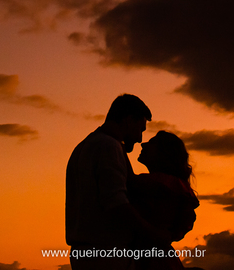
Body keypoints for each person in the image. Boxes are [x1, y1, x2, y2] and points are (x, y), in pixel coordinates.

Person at [66, 94, 168, 269]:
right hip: (107, 256)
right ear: (128, 120)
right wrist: (154, 234)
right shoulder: (109, 147)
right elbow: (116, 204)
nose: (140, 139)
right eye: (140, 129)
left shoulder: (84, 147)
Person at [129, 131, 199, 269]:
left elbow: (128, 182)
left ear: (164, 153)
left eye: (152, 142)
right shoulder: (176, 186)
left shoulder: (160, 183)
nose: (144, 144)